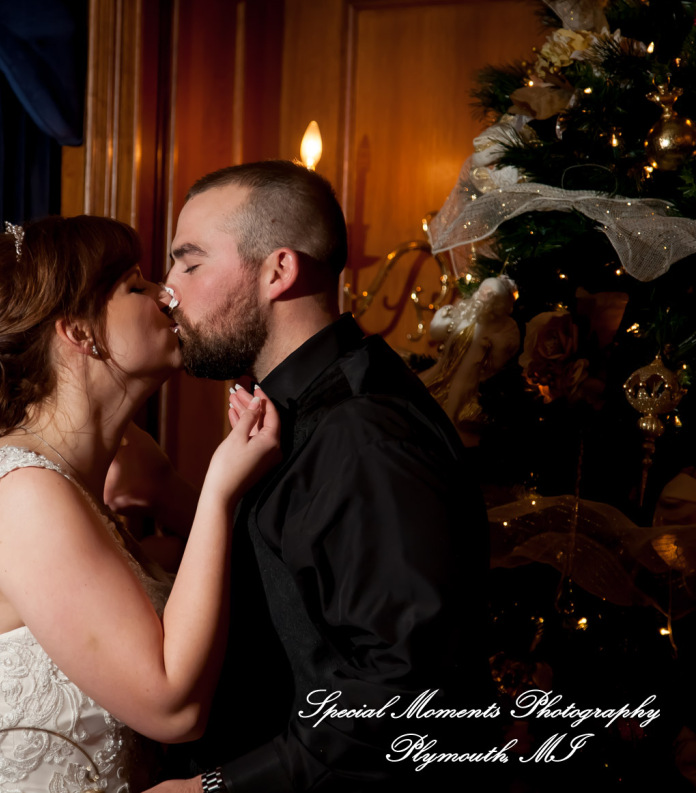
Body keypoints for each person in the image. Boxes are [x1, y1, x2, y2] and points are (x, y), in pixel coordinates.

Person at [143, 161, 491, 792]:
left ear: (278, 270)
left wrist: (216, 789)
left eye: (189, 264)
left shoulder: (362, 433)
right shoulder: (296, 412)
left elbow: (401, 694)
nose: (167, 291)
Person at [0, 215, 280, 792]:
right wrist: (217, 490)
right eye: (136, 286)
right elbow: (174, 709)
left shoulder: (70, 484)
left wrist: (169, 490)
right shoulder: (23, 497)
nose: (167, 293)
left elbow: (226, 584)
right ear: (80, 332)